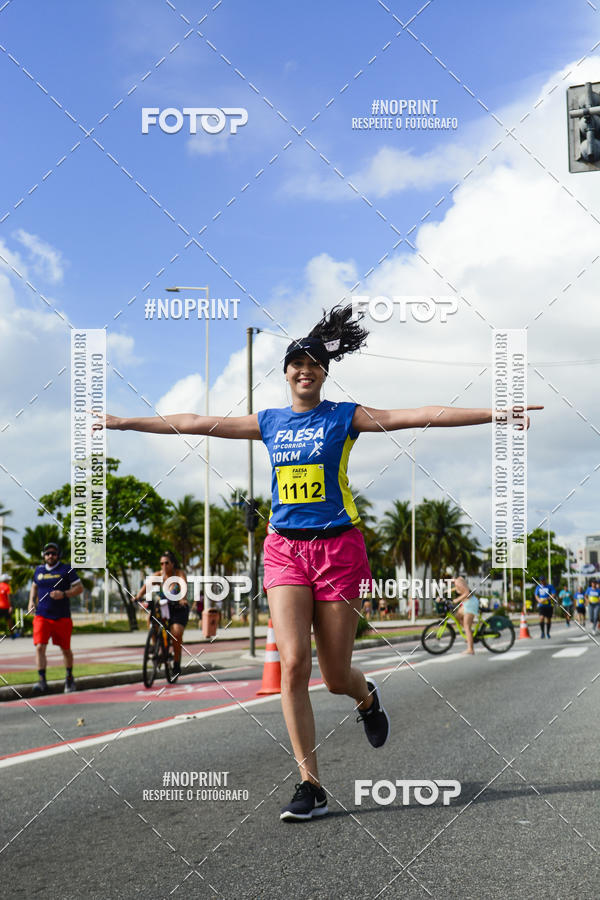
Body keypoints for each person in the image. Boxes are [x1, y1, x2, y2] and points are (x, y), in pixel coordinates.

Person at [93, 303, 542, 821]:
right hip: (284, 548)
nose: (304, 370)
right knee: (293, 665)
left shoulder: (343, 416)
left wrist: (495, 413)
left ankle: (365, 697)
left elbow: (417, 416)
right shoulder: (269, 422)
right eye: (295, 364)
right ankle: (311, 786)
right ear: (285, 373)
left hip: (339, 549)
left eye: (313, 364)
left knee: (332, 675)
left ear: (323, 373)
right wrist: (125, 422)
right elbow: (197, 422)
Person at [27, 542, 83, 693]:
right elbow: (34, 586)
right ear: (43, 556)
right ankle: (42, 681)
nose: (50, 556)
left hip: (62, 616)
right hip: (42, 615)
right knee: (39, 647)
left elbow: (79, 588)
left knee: (65, 650)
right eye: (47, 553)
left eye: (53, 553)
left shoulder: (66, 569)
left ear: (58, 555)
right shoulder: (38, 570)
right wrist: (31, 601)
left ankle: (69, 678)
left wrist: (64, 594)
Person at [134, 550, 189, 680]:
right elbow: (146, 587)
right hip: (164, 606)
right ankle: (155, 645)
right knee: (151, 619)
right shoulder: (158, 575)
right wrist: (137, 597)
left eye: (166, 563)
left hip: (177, 608)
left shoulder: (179, 574)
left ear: (173, 564)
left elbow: (184, 587)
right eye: (161, 564)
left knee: (176, 633)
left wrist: (183, 599)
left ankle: (176, 663)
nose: (164, 566)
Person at [453, 575, 479, 655]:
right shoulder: (458, 580)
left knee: (467, 626)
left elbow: (467, 592)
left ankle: (470, 649)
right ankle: (470, 635)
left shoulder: (458, 581)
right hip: (467, 603)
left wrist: (457, 599)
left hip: (470, 603)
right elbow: (459, 589)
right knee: (457, 617)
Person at [0, 573, 15, 638]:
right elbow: (9, 597)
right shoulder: (7, 586)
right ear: (5, 580)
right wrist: (11, 606)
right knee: (9, 621)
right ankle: (12, 635)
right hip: (5, 607)